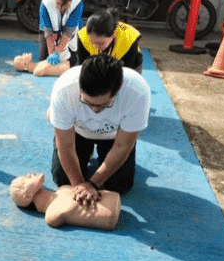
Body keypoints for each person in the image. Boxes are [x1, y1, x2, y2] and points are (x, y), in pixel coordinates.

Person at [48, 54, 150, 200]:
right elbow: (65, 146)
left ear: (118, 89)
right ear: (80, 87)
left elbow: (122, 146)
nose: (95, 110)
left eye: (103, 105)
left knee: (119, 186)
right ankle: (56, 117)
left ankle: (104, 157)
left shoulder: (137, 91)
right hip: (78, 131)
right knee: (63, 181)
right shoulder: (64, 88)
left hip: (114, 135)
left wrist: (93, 184)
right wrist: (80, 187)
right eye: (88, 102)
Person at [10, 173, 121, 230]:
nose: (29, 174)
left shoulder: (63, 189)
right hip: (110, 216)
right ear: (28, 197)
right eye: (24, 180)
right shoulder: (52, 214)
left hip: (112, 200)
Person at [77, 8, 143, 73]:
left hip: (129, 66)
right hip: (98, 64)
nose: (95, 46)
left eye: (100, 43)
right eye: (92, 42)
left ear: (113, 34)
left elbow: (125, 73)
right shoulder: (82, 37)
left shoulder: (129, 39)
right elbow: (83, 68)